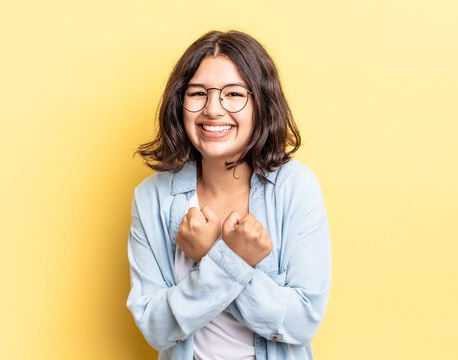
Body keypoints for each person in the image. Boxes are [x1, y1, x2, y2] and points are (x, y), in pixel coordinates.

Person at [126, 30, 331, 360]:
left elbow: (302, 320)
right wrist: (229, 262)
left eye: (234, 94)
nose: (213, 109)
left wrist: (209, 253)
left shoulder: (296, 188)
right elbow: (155, 327)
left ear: (261, 102)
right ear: (181, 103)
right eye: (197, 93)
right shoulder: (152, 198)